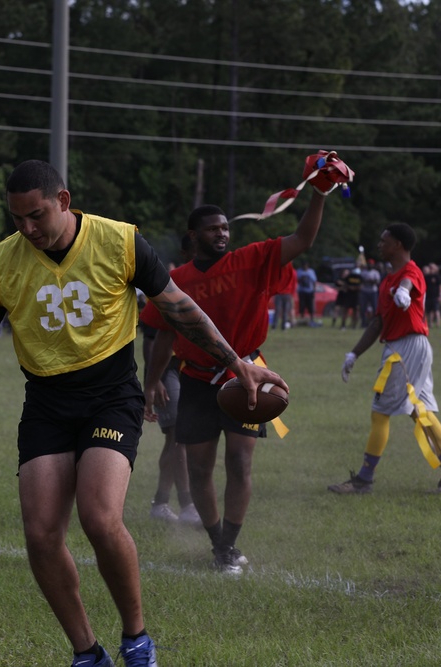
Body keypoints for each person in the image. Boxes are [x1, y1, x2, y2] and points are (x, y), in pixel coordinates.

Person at [0, 160, 285, 667]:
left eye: (36, 215)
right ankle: (87, 652)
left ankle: (137, 639)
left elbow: (176, 306)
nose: (27, 229)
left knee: (100, 518)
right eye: (17, 219)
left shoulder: (120, 241)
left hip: (109, 396)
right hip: (46, 403)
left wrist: (237, 363)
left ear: (63, 201)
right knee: (40, 534)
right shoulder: (3, 260)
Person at [141, 169, 328, 575]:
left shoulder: (253, 259)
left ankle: (228, 545)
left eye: (225, 227)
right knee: (199, 468)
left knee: (240, 464)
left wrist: (320, 193)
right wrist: (152, 382)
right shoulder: (175, 281)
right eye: (212, 230)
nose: (222, 234)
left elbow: (303, 240)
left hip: (245, 376)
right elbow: (162, 337)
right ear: (193, 236)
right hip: (195, 379)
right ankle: (217, 544)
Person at [331, 223, 441, 494]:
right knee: (421, 413)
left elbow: (409, 283)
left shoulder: (410, 272)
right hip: (407, 347)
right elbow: (377, 323)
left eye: (384, 241)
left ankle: (364, 480)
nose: (380, 245)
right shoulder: (386, 281)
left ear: (398, 245)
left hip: (404, 350)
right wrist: (353, 354)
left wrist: (405, 292)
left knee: (379, 413)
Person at [143, 233, 199, 526]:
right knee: (180, 439)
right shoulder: (168, 284)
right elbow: (150, 339)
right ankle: (188, 505)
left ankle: (160, 502)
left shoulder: (207, 281)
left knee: (176, 442)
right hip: (168, 371)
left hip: (194, 371)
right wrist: (157, 379)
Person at [358, 258, 381, 328]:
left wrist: (372, 281)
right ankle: (364, 323)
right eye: (369, 264)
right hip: (364, 291)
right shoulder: (363, 272)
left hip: (373, 291)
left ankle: (374, 323)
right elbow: (360, 281)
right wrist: (366, 281)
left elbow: (378, 282)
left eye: (371, 264)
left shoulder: (375, 272)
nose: (370, 265)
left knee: (375, 307)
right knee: (363, 308)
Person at [296, 260, 318, 326]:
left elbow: (314, 281)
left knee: (310, 305)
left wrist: (314, 290)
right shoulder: (299, 271)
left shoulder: (311, 271)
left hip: (309, 291)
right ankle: (302, 319)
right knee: (302, 305)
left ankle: (312, 318)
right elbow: (297, 280)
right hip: (302, 291)